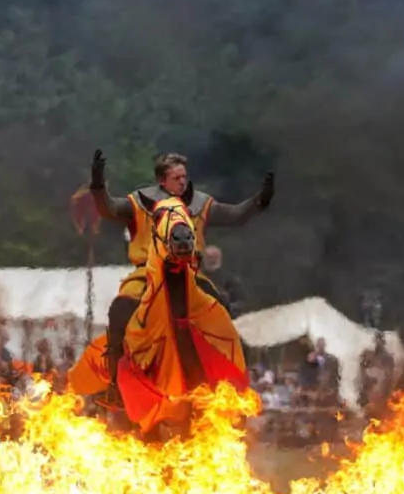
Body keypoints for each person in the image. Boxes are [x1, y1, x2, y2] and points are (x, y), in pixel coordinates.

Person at [88, 149, 274, 401]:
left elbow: (235, 215)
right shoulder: (140, 202)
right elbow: (108, 208)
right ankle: (116, 384)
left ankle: (228, 376)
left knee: (221, 308)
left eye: (184, 177)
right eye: (177, 177)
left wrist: (258, 201)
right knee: (120, 309)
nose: (183, 181)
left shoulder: (199, 203)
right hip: (148, 272)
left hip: (189, 273)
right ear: (162, 180)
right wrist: (98, 186)